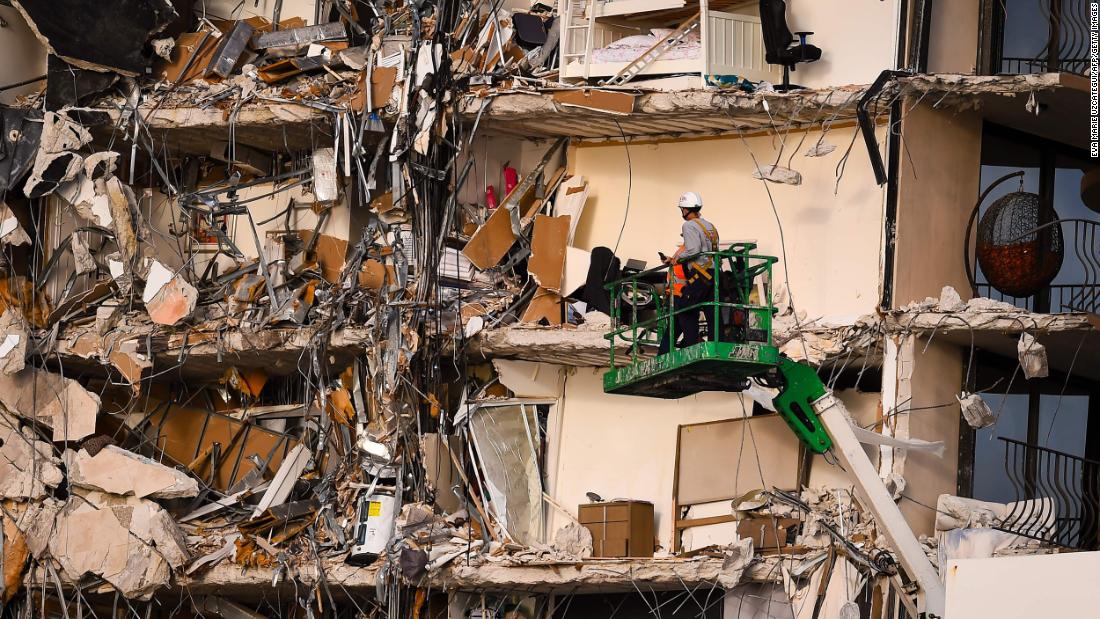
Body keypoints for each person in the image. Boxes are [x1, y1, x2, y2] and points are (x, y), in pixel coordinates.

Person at [659, 191, 719, 355]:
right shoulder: (710, 226)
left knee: (684, 308)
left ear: (686, 210)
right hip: (713, 275)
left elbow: (693, 250)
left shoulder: (689, 226)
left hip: (699, 276)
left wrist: (674, 260)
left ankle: (691, 346)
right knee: (712, 311)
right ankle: (716, 345)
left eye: (682, 209)